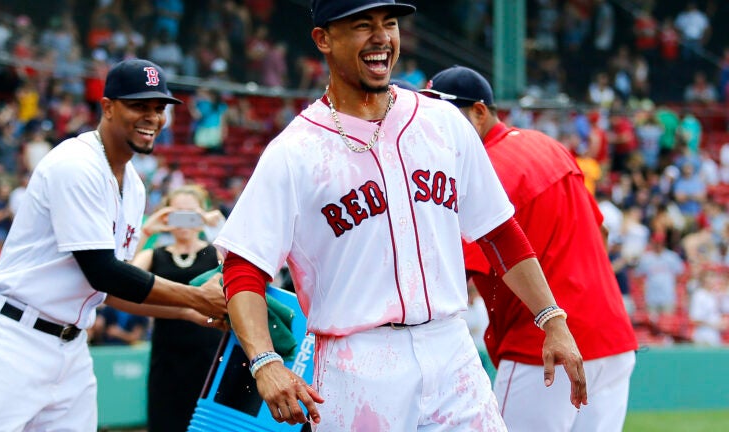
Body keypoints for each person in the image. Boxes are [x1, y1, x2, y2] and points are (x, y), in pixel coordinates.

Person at [215, 2, 587, 430]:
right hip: (358, 362)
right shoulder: (295, 151)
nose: (381, 37)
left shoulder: (443, 122)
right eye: (362, 25)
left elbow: (499, 232)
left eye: (388, 23)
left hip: (451, 350)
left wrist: (552, 319)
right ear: (323, 40)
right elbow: (244, 266)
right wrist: (264, 362)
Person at [0, 58, 227, 432]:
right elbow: (104, 271)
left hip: (70, 350)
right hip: (12, 339)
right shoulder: (76, 163)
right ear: (107, 107)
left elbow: (107, 291)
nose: (152, 116)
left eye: (158, 107)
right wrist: (198, 298)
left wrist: (187, 313)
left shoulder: (133, 185)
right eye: (138, 105)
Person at [420, 65, 638, 432]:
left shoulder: (482, 169)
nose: (435, 128)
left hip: (544, 349)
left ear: (480, 111)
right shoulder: (548, 146)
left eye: (446, 116)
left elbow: (447, 271)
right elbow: (598, 232)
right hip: (613, 340)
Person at [131, 184, 225, 432]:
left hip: (211, 351)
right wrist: (147, 229)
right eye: (177, 212)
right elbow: (122, 278)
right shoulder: (154, 254)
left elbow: (237, 267)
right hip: (167, 353)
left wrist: (215, 225)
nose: (184, 220)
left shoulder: (215, 252)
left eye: (190, 212)